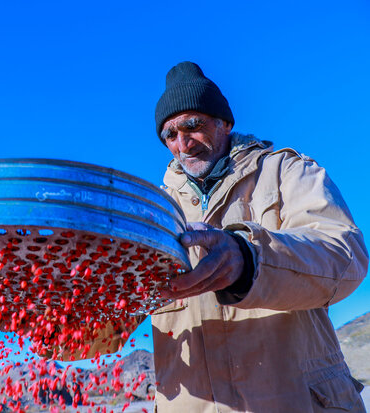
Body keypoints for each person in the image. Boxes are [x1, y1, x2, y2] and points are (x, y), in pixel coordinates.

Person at [89, 62, 368, 412]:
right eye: (170, 135)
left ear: (224, 122)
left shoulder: (285, 172)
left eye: (193, 126)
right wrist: (57, 319)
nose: (183, 144)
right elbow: (110, 321)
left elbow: (346, 255)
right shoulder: (155, 213)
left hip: (297, 402)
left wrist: (249, 259)